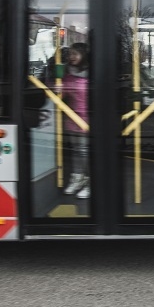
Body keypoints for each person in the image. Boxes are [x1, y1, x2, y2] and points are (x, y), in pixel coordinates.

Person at [61, 42, 91, 199]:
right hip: (72, 118)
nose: (71, 57)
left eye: (75, 54)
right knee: (76, 152)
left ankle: (90, 181)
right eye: (70, 54)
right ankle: (77, 178)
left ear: (84, 56)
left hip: (87, 119)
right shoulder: (67, 73)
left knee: (86, 152)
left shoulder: (92, 75)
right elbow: (62, 94)